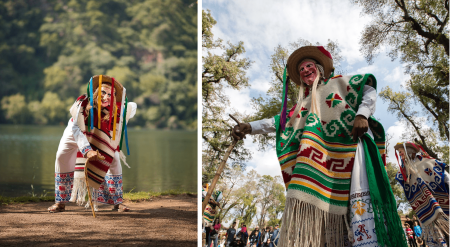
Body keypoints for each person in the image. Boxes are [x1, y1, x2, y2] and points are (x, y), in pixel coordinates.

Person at [232, 46, 407, 246]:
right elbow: (277, 123)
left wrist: (362, 114)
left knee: (358, 199)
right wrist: (249, 127)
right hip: (324, 162)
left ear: (320, 69)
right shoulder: (302, 105)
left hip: (351, 149)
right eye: (301, 70)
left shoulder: (340, 83)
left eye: (309, 65)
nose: (305, 70)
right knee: (331, 214)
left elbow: (368, 90)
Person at [47, 75, 136, 213]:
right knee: (61, 156)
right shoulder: (82, 104)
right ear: (95, 93)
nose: (106, 97)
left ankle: (118, 202)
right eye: (103, 93)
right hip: (76, 133)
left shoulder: (116, 112)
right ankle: (60, 202)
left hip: (99, 136)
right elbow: (76, 128)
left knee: (114, 158)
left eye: (110, 95)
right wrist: (87, 150)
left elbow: (129, 111)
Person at [395, 142, 449, 247]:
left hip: (443, 205)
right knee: (435, 240)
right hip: (425, 210)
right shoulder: (406, 171)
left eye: (401, 152)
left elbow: (447, 178)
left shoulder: (428, 162)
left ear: (408, 151)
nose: (400, 155)